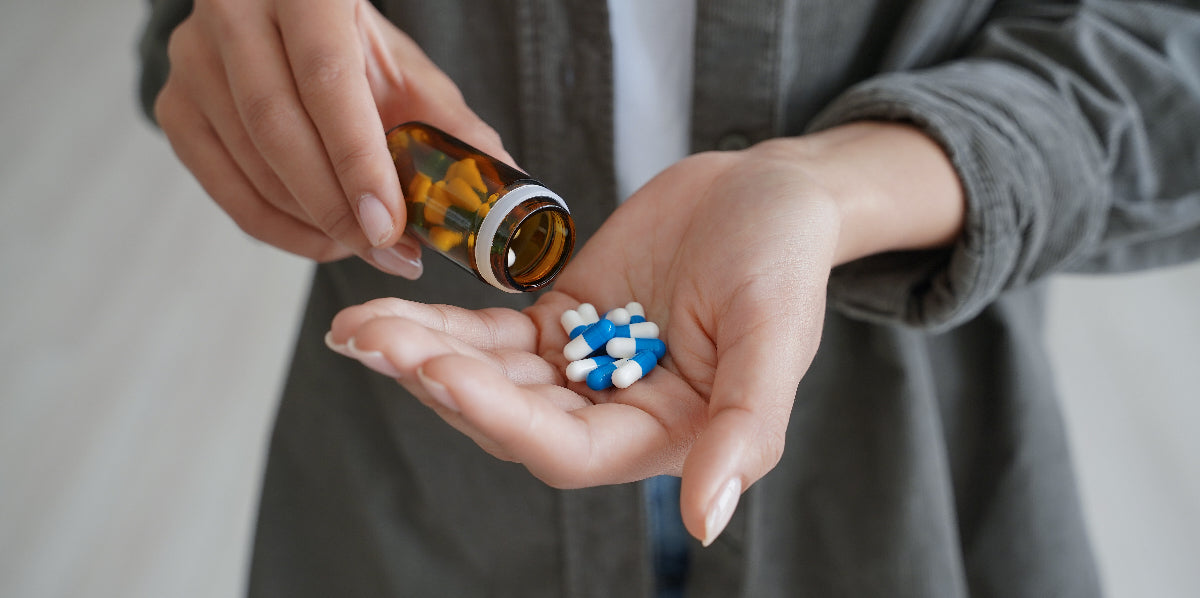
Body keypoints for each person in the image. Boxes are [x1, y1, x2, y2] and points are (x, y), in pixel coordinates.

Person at [140, 0, 1200, 596]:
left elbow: (1170, 57)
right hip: (425, 477)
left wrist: (832, 188)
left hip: (900, 470)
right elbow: (181, 33)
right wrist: (243, 50)